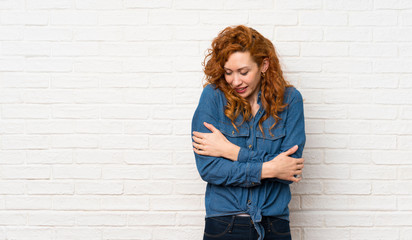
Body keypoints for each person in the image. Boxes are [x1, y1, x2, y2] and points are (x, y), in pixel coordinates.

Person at [191, 25, 306, 240]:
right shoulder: (213, 97)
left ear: (264, 65)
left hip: (274, 225)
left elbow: (291, 169)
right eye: (228, 72)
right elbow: (209, 168)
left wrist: (233, 152)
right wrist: (270, 168)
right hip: (224, 224)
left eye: (244, 72)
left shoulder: (290, 100)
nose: (235, 81)